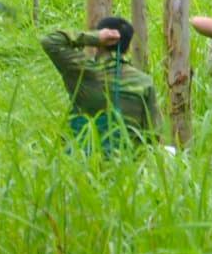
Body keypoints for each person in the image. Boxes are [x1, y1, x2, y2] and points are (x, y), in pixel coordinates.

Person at [40, 17, 162, 153]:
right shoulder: (144, 82)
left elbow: (50, 41)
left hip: (83, 163)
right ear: (127, 48)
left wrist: (95, 37)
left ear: (99, 44)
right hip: (127, 164)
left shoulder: (83, 73)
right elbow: (153, 133)